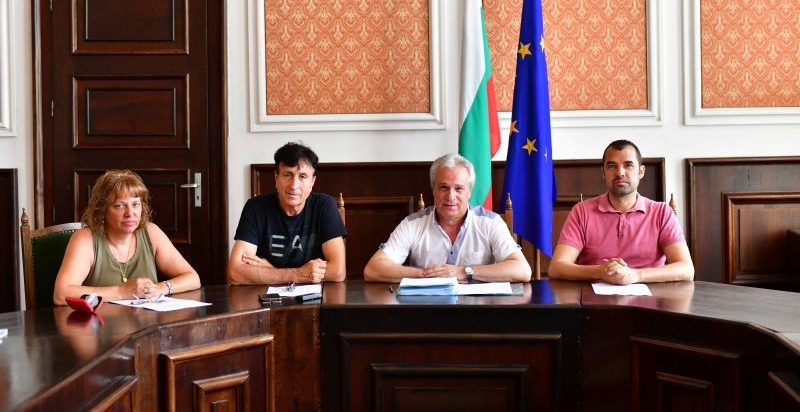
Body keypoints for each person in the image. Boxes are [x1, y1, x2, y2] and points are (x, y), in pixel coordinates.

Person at [363, 153, 532, 283]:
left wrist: (464, 271)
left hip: (479, 311)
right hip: (427, 311)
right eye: (444, 187)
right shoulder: (412, 224)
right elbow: (373, 269)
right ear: (433, 190)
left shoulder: (490, 223)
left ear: (469, 192)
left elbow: (522, 270)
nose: (451, 196)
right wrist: (427, 274)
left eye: (458, 189)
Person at [548, 139, 694, 284]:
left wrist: (635, 275)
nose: (620, 173)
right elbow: (557, 267)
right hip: (594, 296)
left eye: (628, 165)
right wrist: (600, 272)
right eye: (612, 166)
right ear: (603, 172)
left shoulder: (662, 212)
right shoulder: (582, 212)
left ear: (641, 171)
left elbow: (686, 269)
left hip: (652, 297)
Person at [53, 170, 201, 305]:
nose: (130, 213)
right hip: (99, 324)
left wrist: (159, 288)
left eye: (135, 204)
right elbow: (61, 295)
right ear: (102, 210)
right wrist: (121, 292)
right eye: (119, 205)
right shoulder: (85, 239)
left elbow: (193, 278)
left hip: (146, 323)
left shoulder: (151, 232)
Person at [228, 142, 346, 284]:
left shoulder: (324, 206)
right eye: (287, 175)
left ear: (313, 181)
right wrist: (298, 274)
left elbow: (338, 272)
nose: (294, 185)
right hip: (266, 295)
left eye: (302, 176)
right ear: (276, 177)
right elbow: (235, 272)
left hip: (316, 295)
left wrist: (271, 270)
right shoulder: (256, 208)